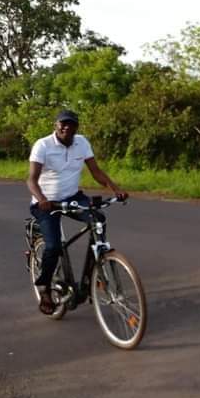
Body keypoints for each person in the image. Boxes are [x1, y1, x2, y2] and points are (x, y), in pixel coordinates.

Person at [26, 109, 128, 315]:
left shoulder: (82, 142)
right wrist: (43, 200)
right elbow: (31, 179)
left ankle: (96, 269)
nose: (66, 127)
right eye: (62, 124)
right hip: (47, 203)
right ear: (55, 125)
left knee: (98, 218)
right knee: (53, 247)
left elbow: (96, 171)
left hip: (72, 197)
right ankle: (45, 288)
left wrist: (116, 189)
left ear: (76, 128)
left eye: (71, 124)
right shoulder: (43, 145)